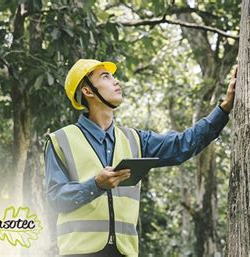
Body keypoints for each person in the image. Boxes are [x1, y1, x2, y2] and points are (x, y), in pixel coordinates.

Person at [44, 59, 237, 257]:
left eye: (113, 76)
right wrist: (96, 185)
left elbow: (182, 145)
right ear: (88, 91)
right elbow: (55, 199)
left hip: (125, 252)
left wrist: (224, 108)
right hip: (79, 253)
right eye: (105, 76)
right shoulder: (60, 140)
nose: (116, 81)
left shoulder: (135, 140)